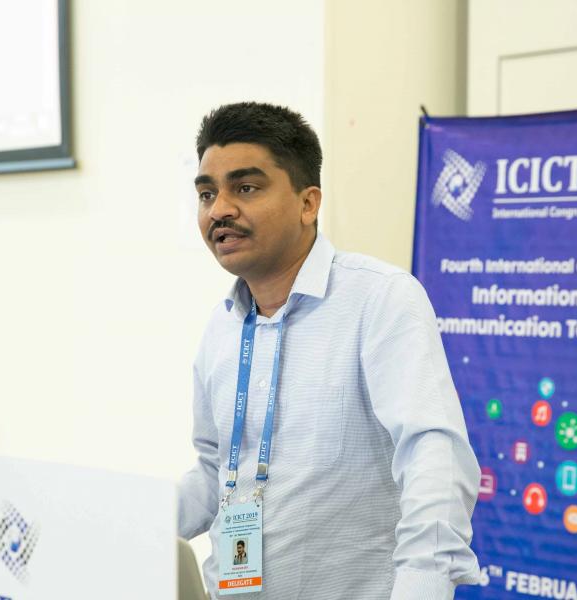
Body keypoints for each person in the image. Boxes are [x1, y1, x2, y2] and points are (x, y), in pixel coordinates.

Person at [177, 102, 480, 599]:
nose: (219, 209)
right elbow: (215, 471)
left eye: (245, 188)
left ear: (308, 203)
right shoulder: (222, 326)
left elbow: (434, 457)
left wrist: (422, 588)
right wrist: (125, 525)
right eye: (207, 193)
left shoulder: (379, 299)